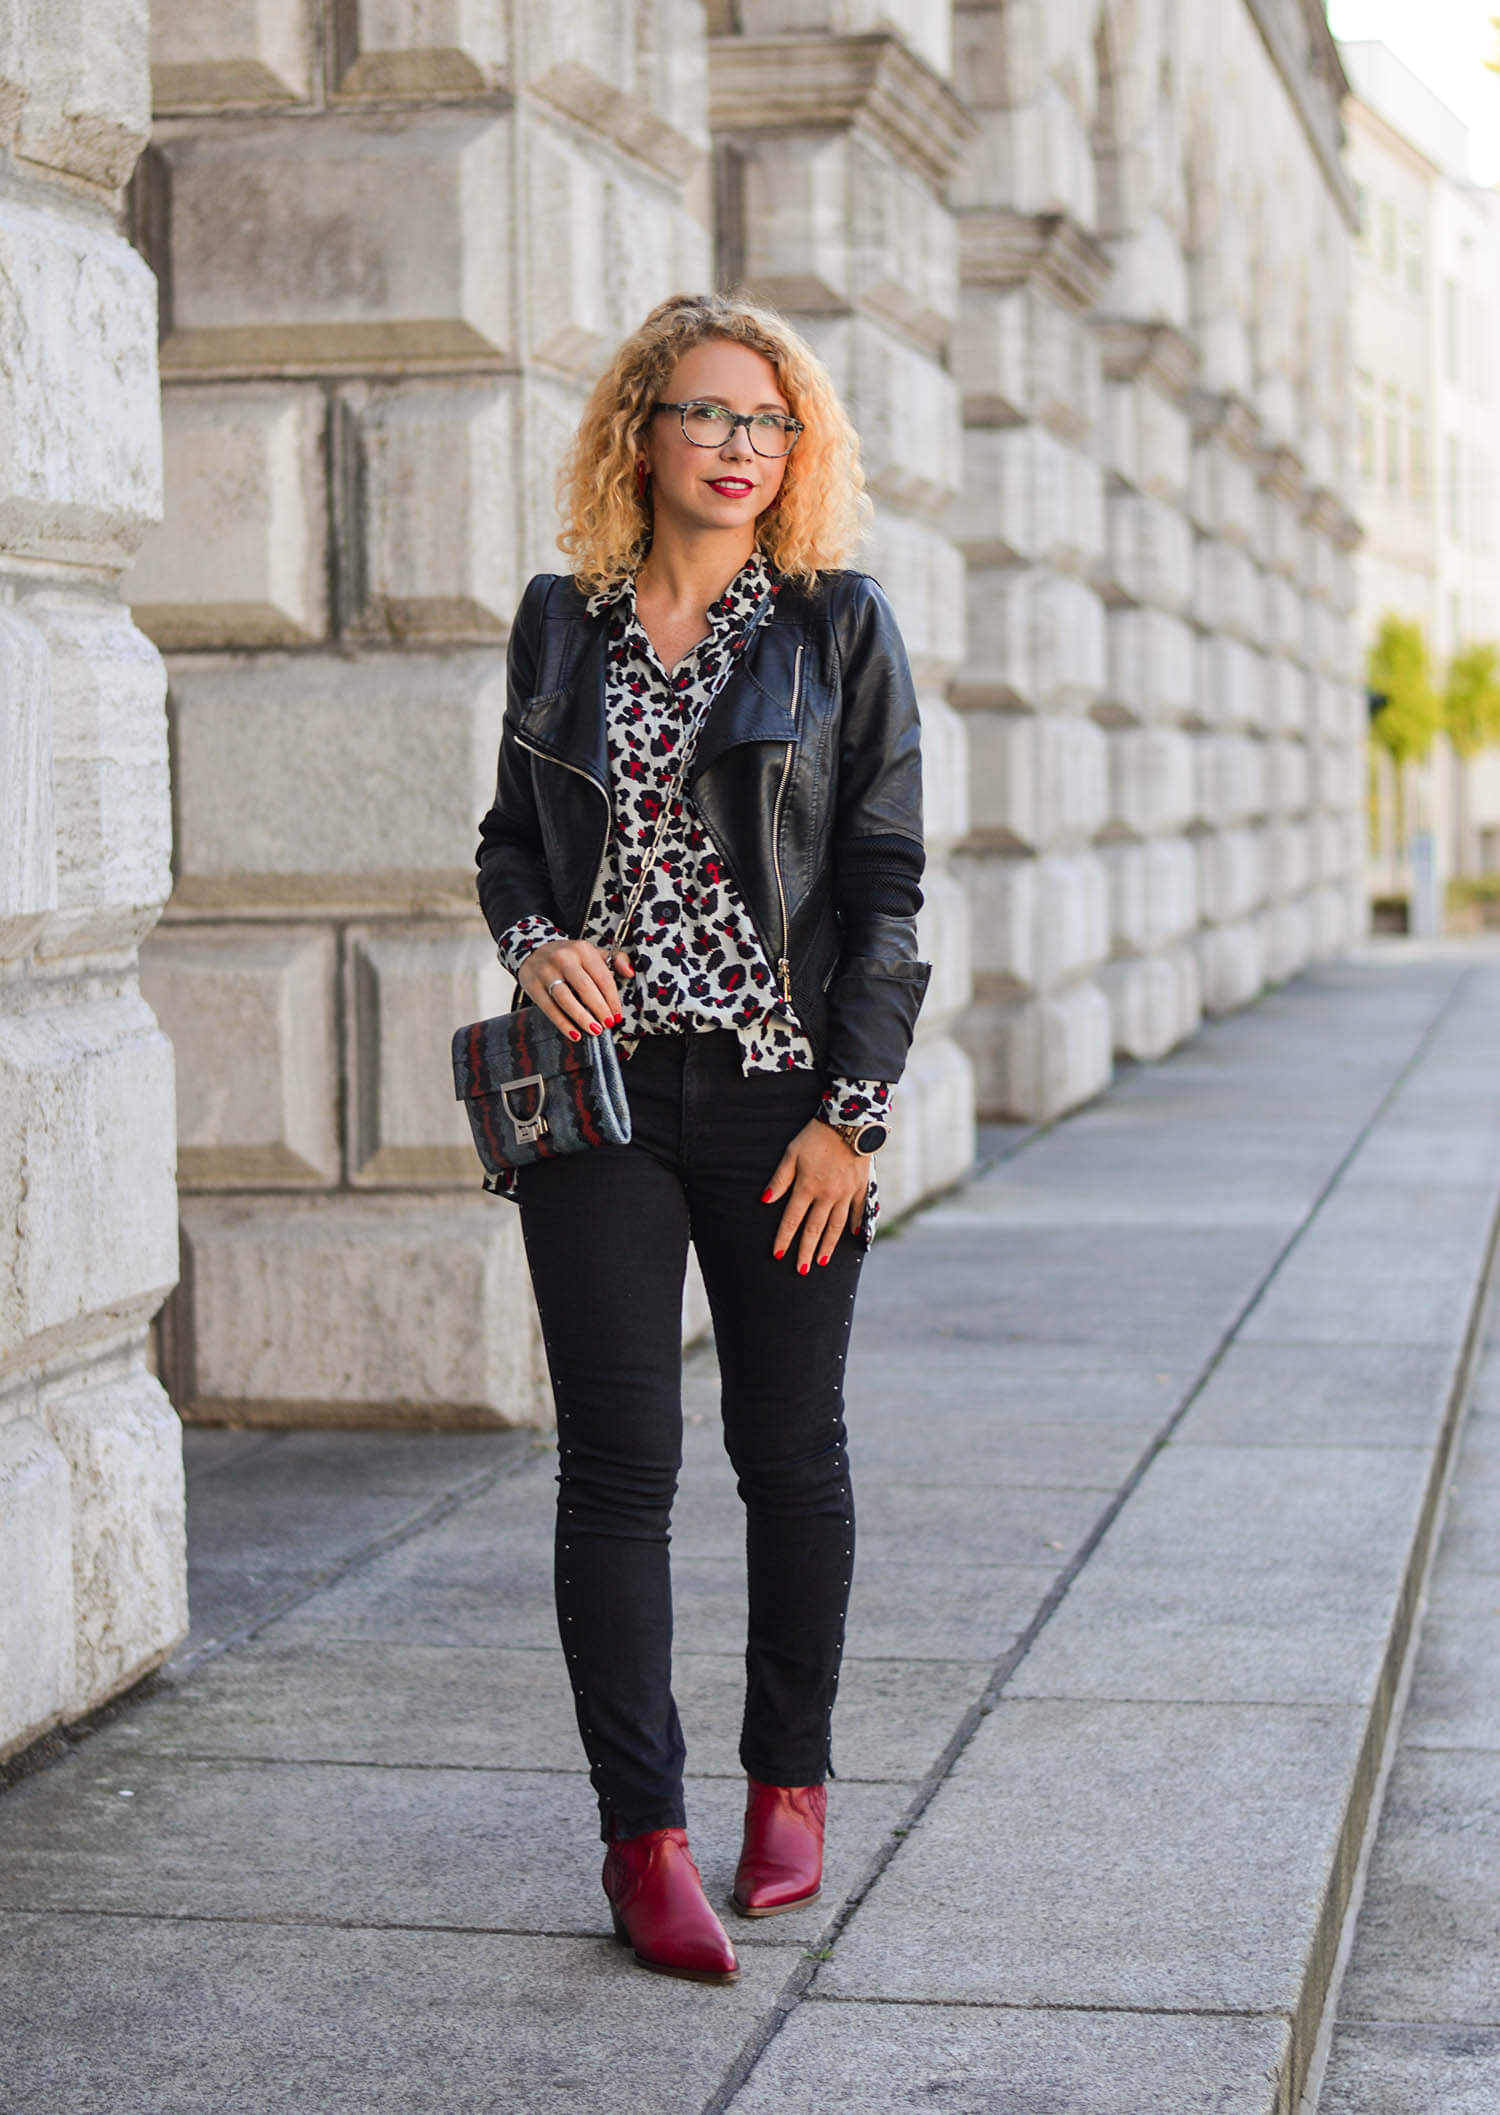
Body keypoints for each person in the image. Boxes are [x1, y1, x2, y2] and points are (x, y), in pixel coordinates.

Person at [475, 291, 930, 1985]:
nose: (741, 448)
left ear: (792, 452)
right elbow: (508, 844)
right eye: (707, 415)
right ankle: (643, 1837)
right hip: (596, 1095)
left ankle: (788, 1788)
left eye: (769, 422)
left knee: (787, 1451)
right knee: (617, 1466)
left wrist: (851, 1120)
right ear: (640, 436)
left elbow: (883, 885)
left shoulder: (835, 625)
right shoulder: (561, 623)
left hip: (776, 1095)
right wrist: (537, 944)